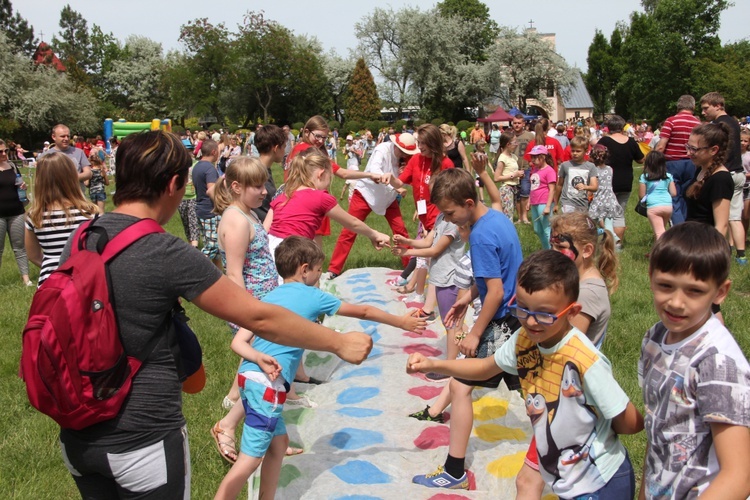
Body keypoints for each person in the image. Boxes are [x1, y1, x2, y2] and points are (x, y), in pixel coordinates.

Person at [54, 130, 373, 499]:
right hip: (142, 436)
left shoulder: (83, 235)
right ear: (175, 184)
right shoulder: (164, 251)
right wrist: (337, 342)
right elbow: (261, 317)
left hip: (77, 428)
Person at [409, 250, 644, 498]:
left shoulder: (584, 360)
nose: (531, 322)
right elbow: (484, 367)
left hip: (602, 482)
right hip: (567, 479)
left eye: (544, 313)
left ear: (572, 312)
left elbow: (631, 422)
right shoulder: (524, 340)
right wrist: (433, 365)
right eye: (523, 309)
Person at [214, 236, 425, 499]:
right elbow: (364, 312)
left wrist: (257, 357)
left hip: (249, 378)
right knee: (249, 460)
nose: (321, 274)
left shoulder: (268, 298)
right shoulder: (313, 296)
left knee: (278, 444)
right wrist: (400, 322)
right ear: (304, 270)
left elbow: (238, 342)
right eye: (318, 269)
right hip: (268, 386)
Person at [410, 165, 524, 491]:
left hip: (503, 319)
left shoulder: (481, 236)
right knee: (532, 391)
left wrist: (475, 333)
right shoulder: (497, 217)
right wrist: (468, 297)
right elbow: (497, 278)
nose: (449, 220)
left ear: (469, 202)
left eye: (451, 212)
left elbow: (498, 291)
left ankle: (454, 470)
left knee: (460, 386)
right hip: (515, 316)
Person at [639, 222, 750, 499]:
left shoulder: (717, 362)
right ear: (650, 276)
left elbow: (739, 475)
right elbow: (658, 433)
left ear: (720, 292)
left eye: (695, 291)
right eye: (665, 286)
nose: (676, 302)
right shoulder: (655, 337)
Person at [210, 156, 282, 463]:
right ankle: (227, 425)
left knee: (268, 372)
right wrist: (246, 319)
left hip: (263, 307)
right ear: (237, 186)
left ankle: (275, 438)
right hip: (252, 311)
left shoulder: (247, 213)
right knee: (264, 374)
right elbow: (234, 274)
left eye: (264, 183)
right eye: (256, 185)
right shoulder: (237, 221)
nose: (264, 190)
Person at [265, 149, 390, 260]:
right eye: (329, 178)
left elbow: (265, 229)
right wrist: (374, 234)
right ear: (321, 174)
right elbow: (352, 223)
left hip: (270, 250)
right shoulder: (321, 197)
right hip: (294, 254)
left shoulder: (283, 195)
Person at [327, 133, 419, 278]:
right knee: (349, 231)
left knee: (400, 231)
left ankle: (409, 269)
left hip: (388, 198)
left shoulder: (408, 160)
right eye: (403, 151)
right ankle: (333, 270)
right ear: (396, 146)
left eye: (408, 152)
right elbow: (375, 169)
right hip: (365, 194)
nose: (404, 155)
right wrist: (395, 187)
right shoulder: (382, 149)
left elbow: (409, 179)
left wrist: (399, 186)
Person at [284, 115, 382, 247]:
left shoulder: (299, 148)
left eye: (324, 137)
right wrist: (370, 175)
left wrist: (369, 175)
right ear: (306, 132)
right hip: (309, 205)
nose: (320, 141)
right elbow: (343, 173)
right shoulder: (309, 152)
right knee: (313, 252)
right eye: (317, 136)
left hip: (294, 203)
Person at [24, 153, 98, 287]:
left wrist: (54, 264)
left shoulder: (35, 215)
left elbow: (33, 255)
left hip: (49, 284)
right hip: (84, 281)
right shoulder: (90, 213)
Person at [700, 92, 747, 264]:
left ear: (718, 105)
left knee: (720, 218)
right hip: (738, 173)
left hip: (725, 174)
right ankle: (740, 255)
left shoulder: (718, 125)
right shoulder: (734, 122)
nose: (704, 112)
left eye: (706, 108)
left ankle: (718, 253)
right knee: (734, 217)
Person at [597, 115, 645, 247]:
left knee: (604, 212)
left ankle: (608, 242)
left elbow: (594, 157)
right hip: (626, 181)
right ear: (623, 126)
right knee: (619, 213)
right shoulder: (631, 142)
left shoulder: (604, 141)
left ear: (609, 127)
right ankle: (617, 245)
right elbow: (640, 159)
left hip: (607, 181)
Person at [684, 123, 733, 235]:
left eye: (694, 149)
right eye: (688, 147)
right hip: (691, 238)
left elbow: (721, 225)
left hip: (705, 244)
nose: (688, 153)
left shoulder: (721, 179)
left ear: (713, 150)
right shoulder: (700, 170)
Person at [0, 139, 31, 285]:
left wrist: (23, 186)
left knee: (19, 246)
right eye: (0, 152)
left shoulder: (12, 166)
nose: (4, 154)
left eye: (5, 151)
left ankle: (26, 279)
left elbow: (18, 183)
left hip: (16, 211)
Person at [192, 139, 223, 268]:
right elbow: (211, 190)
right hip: (210, 211)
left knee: (214, 249)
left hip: (200, 209)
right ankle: (194, 268)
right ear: (214, 152)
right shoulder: (209, 168)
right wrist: (223, 205)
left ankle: (218, 275)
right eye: (219, 152)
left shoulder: (197, 166)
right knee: (213, 245)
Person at [38, 124, 92, 192]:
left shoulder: (79, 152)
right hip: (55, 197)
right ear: (54, 137)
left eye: (68, 136)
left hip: (77, 196)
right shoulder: (45, 156)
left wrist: (70, 178)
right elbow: (41, 180)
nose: (66, 139)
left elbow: (88, 173)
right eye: (62, 136)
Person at [587, 144, 624, 243]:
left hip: (598, 200)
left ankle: (592, 239)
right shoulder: (609, 169)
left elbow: (592, 186)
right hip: (610, 200)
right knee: (608, 224)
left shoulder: (592, 170)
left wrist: (587, 195)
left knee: (590, 224)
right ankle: (614, 240)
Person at [554, 136, 598, 214]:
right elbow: (559, 185)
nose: (574, 153)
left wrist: (585, 187)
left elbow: (595, 187)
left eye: (578, 151)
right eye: (573, 151)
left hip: (582, 202)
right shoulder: (565, 165)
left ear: (585, 151)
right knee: (568, 224)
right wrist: (556, 203)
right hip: (567, 202)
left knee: (579, 225)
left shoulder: (591, 166)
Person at [252, 124, 287, 223]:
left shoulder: (261, 168)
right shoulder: (258, 173)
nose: (284, 151)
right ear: (276, 148)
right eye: (283, 147)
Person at [639, 151, 676, 241]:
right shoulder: (668, 176)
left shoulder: (644, 177)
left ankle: (665, 252)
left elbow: (641, 195)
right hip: (667, 205)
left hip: (653, 206)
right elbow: (674, 193)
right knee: (661, 228)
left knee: (659, 233)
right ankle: (655, 251)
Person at [528, 145, 556, 250]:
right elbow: (533, 187)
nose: (533, 160)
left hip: (544, 202)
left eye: (536, 157)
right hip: (535, 202)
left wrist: (548, 206)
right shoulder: (535, 170)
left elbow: (552, 189)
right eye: (532, 157)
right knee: (537, 230)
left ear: (543, 157)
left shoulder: (549, 171)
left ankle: (552, 252)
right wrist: (529, 202)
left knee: (547, 229)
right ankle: (546, 250)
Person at [511, 114, 536, 225]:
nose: (517, 125)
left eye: (519, 123)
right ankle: (519, 217)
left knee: (525, 191)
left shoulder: (530, 136)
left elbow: (535, 149)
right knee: (516, 193)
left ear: (523, 124)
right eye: (515, 123)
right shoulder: (509, 135)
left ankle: (525, 217)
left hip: (526, 167)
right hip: (512, 168)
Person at [494, 132, 523, 221]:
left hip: (514, 188)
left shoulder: (513, 156)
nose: (517, 144)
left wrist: (519, 175)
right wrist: (514, 175)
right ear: (508, 144)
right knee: (507, 216)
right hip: (506, 189)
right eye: (515, 142)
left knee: (510, 212)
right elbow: (496, 178)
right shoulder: (502, 158)